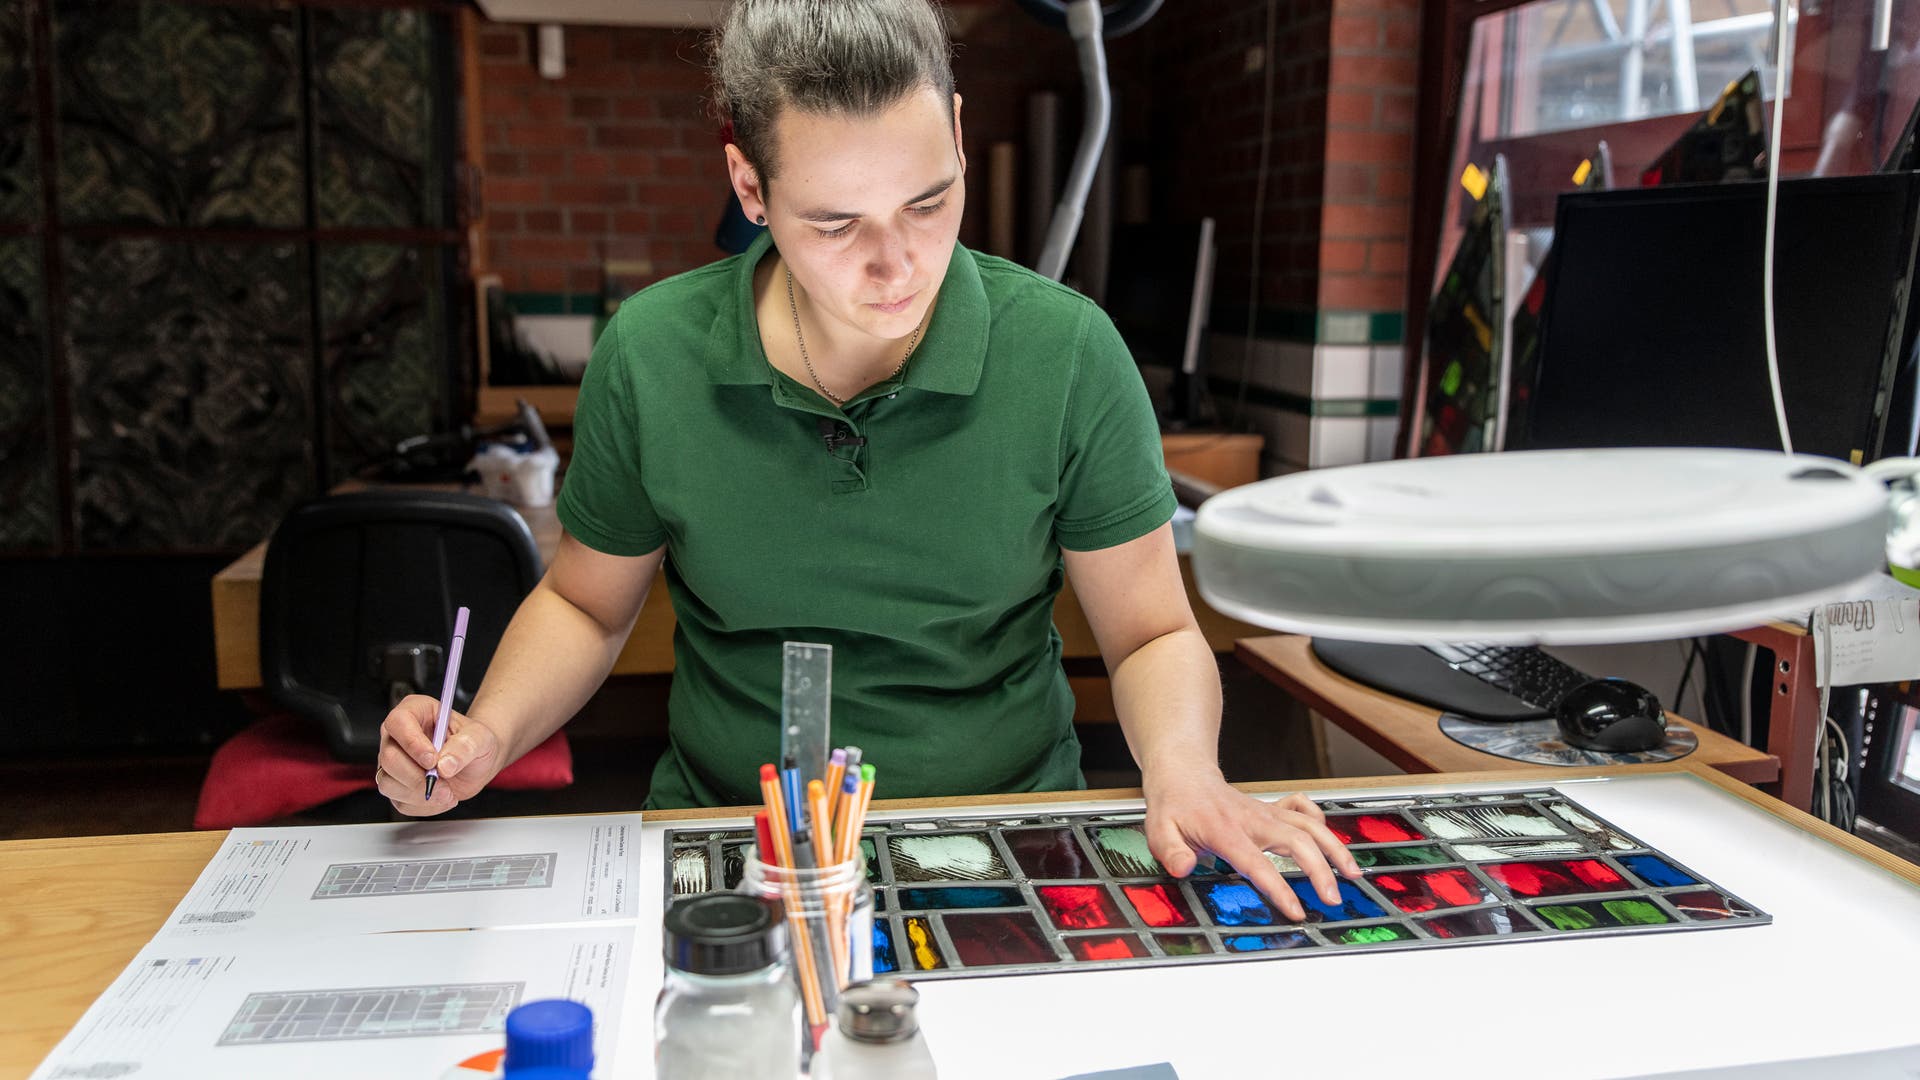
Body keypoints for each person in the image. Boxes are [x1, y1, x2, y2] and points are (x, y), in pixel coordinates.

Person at [374, 0, 1359, 920]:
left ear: (962, 137)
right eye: (837, 223)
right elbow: (587, 604)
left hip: (1009, 845)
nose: (897, 266)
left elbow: (1149, 631)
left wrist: (1184, 769)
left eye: (929, 202)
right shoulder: (651, 354)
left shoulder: (1065, 355)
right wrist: (489, 732)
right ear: (749, 187)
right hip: (731, 847)